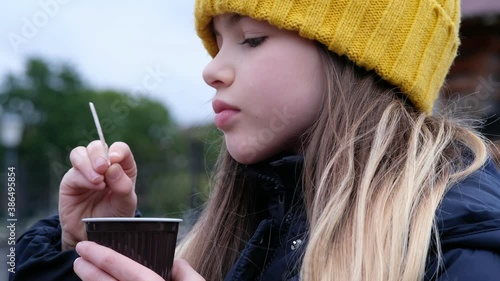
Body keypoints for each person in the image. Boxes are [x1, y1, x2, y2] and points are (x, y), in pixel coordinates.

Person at [11, 0, 500, 280]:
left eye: (250, 38)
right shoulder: (245, 226)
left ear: (354, 60)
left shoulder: (459, 245)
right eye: (216, 42)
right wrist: (84, 249)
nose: (210, 70)